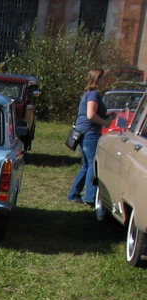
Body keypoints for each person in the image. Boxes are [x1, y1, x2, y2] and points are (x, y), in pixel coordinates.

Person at [68, 68, 111, 205]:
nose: (105, 80)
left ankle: (74, 194)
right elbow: (91, 115)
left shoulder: (89, 93)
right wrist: (105, 122)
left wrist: (107, 115)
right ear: (97, 79)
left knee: (86, 164)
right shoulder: (93, 95)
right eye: (103, 78)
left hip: (84, 131)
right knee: (93, 163)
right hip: (89, 132)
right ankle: (90, 197)